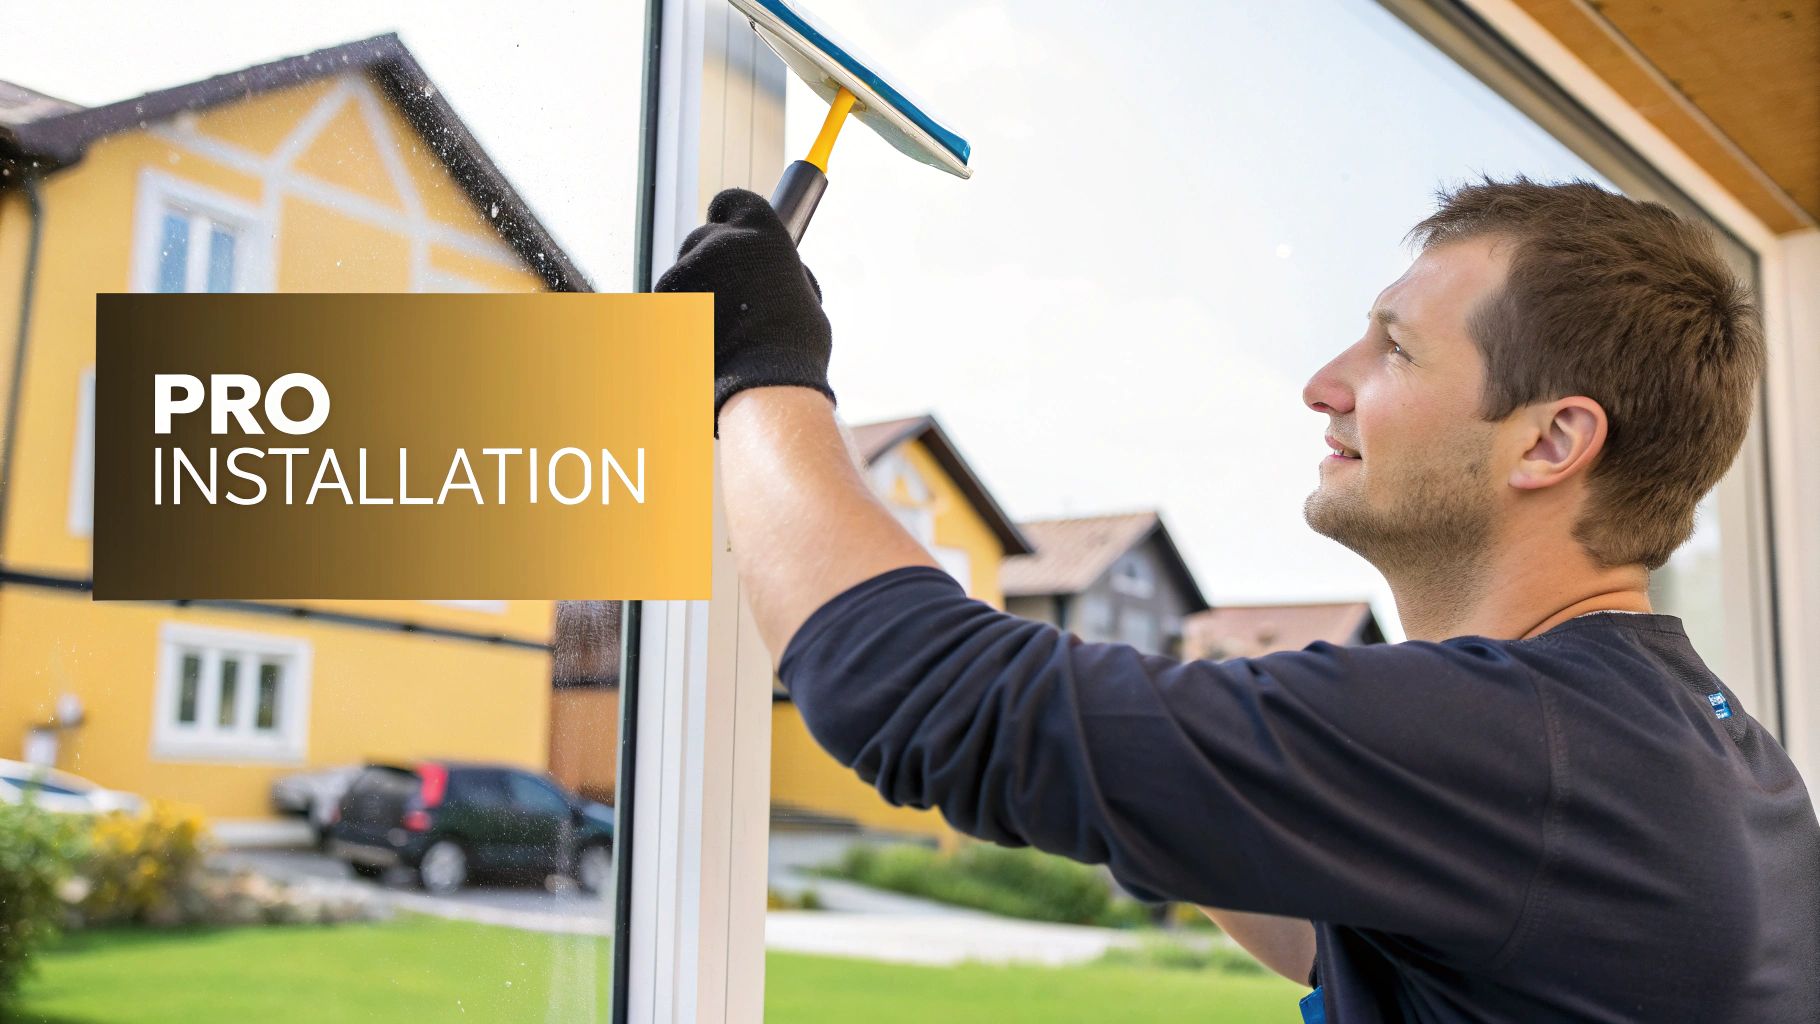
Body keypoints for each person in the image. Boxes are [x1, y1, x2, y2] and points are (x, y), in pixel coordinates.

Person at [655, 178, 1819, 1022]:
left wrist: (759, 370)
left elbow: (924, 698)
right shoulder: (1706, 746)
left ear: (1551, 440)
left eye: (1394, 351)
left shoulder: (1517, 740)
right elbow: (1357, 947)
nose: (1325, 383)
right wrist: (1177, 771)